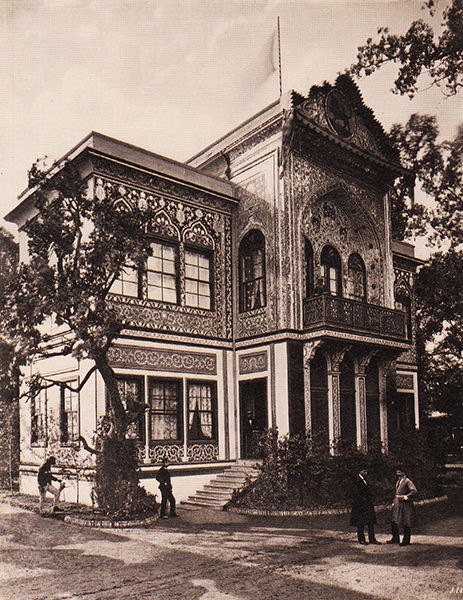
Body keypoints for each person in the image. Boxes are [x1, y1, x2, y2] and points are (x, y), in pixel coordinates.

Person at [350, 468, 381, 545]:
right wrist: (363, 500)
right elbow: (356, 493)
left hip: (367, 504)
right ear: (360, 471)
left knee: (370, 522)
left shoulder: (366, 480)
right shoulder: (356, 480)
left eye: (366, 471)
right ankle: (361, 539)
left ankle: (372, 539)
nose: (366, 473)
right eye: (364, 471)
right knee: (361, 523)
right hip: (360, 505)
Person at [387, 467, 417, 546]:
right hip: (397, 503)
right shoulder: (398, 481)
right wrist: (394, 501)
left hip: (405, 504)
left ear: (404, 473)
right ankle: (395, 538)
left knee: (406, 521)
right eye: (397, 472)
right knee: (393, 520)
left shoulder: (407, 481)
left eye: (399, 472)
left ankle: (406, 540)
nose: (397, 474)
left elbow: (414, 491)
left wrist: (406, 496)